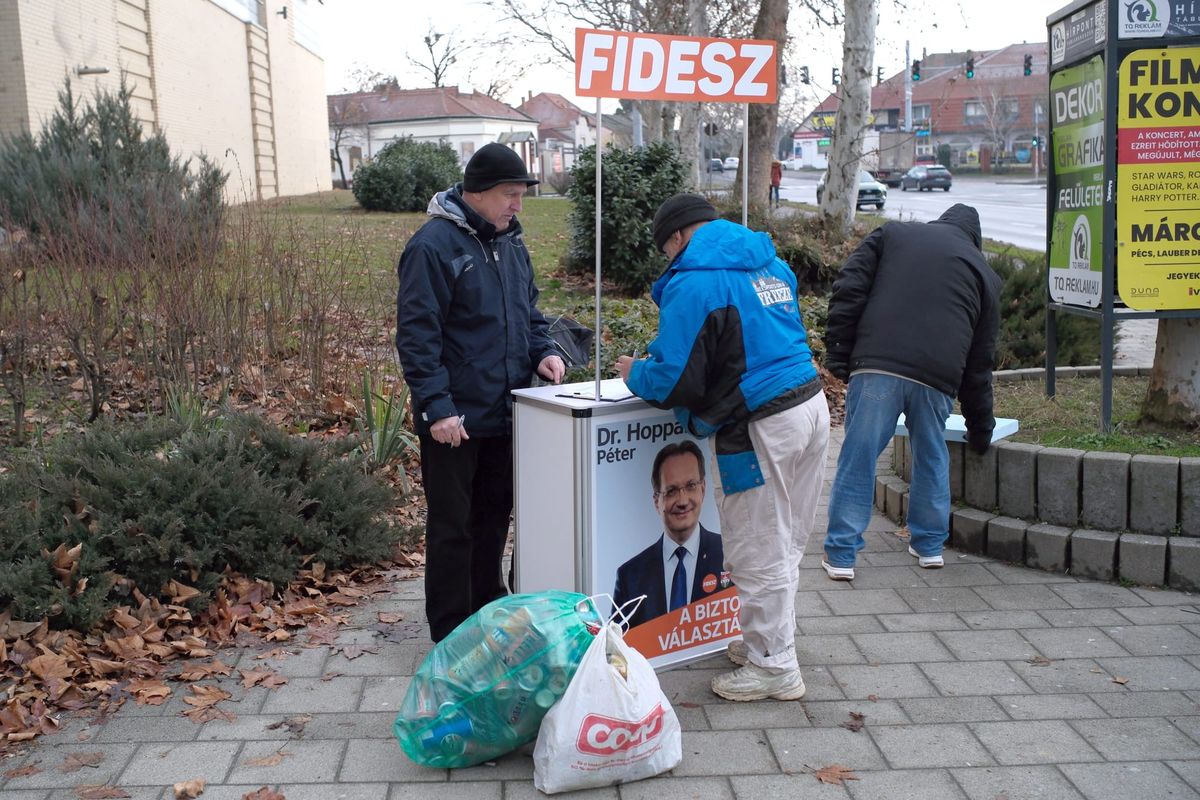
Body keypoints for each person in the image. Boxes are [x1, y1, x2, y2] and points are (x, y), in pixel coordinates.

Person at [616, 193, 829, 702]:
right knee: (785, 539)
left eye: (666, 251)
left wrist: (633, 372)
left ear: (675, 237)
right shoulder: (768, 261)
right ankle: (767, 642)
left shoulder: (696, 279)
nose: (669, 261)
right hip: (810, 407)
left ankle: (774, 665)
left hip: (759, 426)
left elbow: (675, 380)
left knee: (758, 545)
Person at [396, 143, 566, 642]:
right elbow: (417, 334)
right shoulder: (432, 247)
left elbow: (529, 314)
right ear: (479, 193)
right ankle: (450, 633)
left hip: (504, 411)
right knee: (454, 526)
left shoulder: (511, 243)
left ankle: (487, 615)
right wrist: (438, 407)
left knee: (494, 519)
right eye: (510, 195)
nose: (518, 205)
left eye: (521, 195)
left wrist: (543, 351)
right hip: (454, 418)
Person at [821, 204, 1001, 581]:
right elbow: (979, 363)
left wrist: (840, 354)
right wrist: (980, 427)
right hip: (937, 379)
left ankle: (841, 554)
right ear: (974, 240)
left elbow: (849, 288)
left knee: (859, 455)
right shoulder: (984, 274)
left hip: (878, 366)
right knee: (931, 455)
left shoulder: (894, 235)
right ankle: (929, 546)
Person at [612, 440, 727, 630]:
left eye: (691, 486)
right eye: (671, 491)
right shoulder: (629, 576)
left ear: (703, 489)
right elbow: (617, 649)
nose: (682, 501)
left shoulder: (729, 554)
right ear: (657, 501)